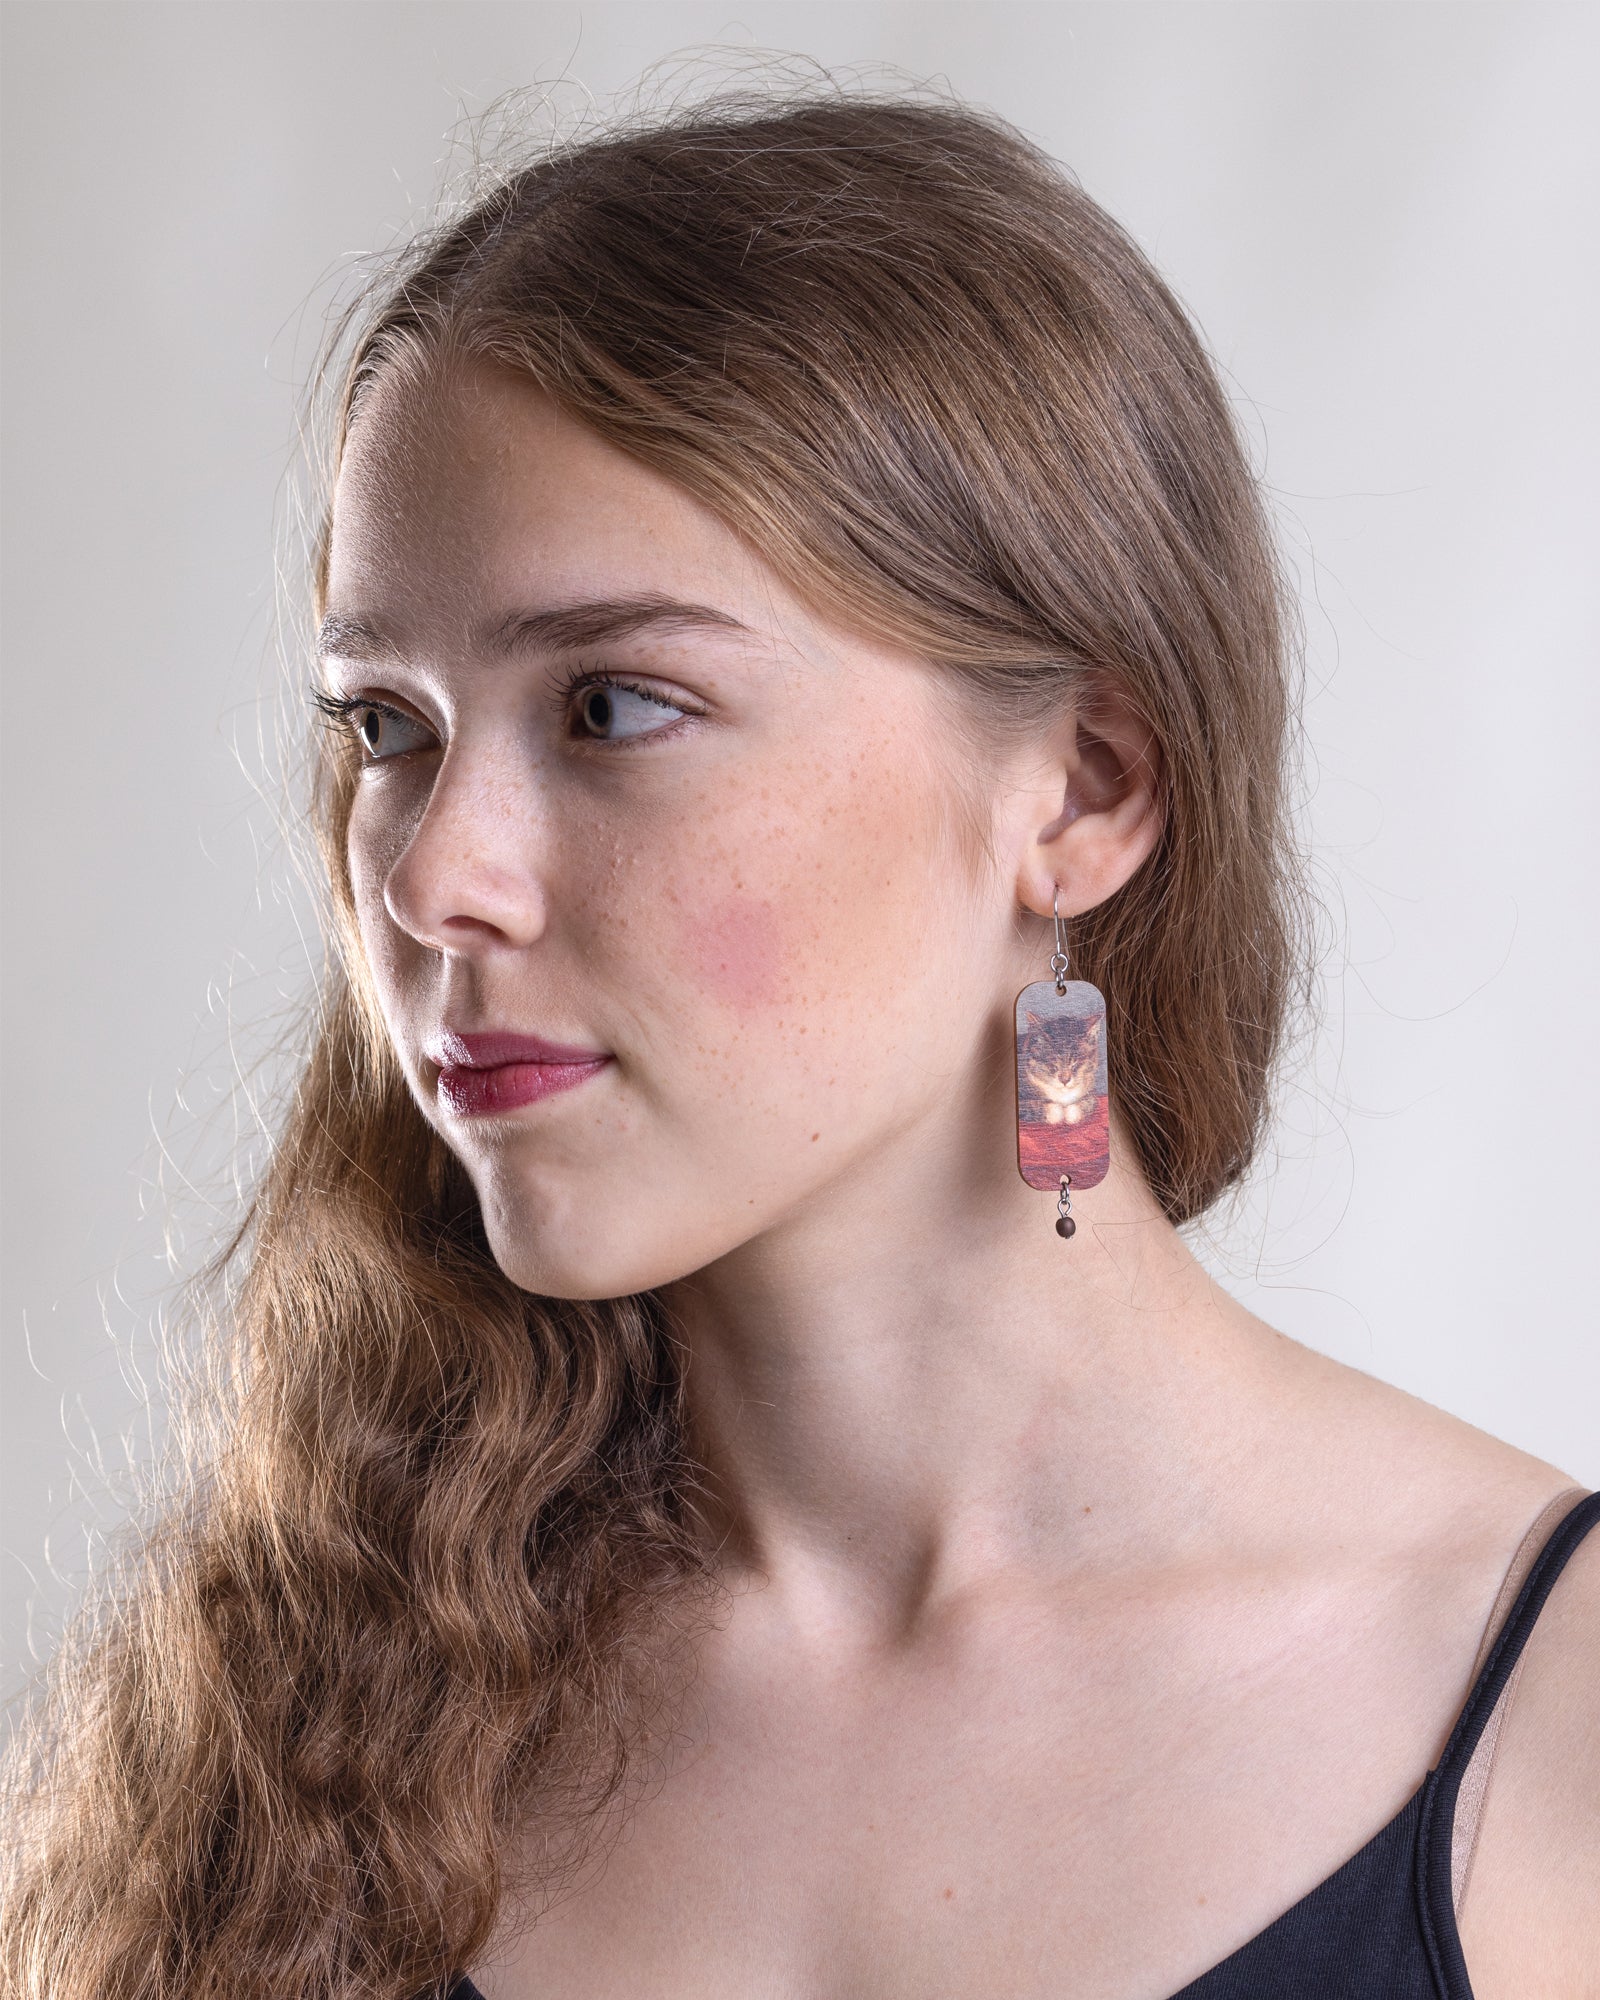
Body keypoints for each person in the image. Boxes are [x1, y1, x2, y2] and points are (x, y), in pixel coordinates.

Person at [4, 87, 1596, 2000]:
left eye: (614, 705)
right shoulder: (290, 1734)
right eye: (386, 727)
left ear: (1083, 792)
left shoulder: (1554, 1733)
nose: (430, 877)